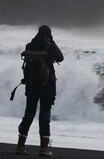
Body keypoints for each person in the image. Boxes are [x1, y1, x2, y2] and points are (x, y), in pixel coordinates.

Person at [15, 25, 64, 157]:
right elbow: (60, 58)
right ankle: (44, 148)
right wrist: (52, 42)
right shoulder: (50, 46)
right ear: (49, 34)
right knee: (45, 115)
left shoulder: (29, 46)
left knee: (29, 114)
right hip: (47, 86)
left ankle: (20, 146)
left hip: (31, 85)